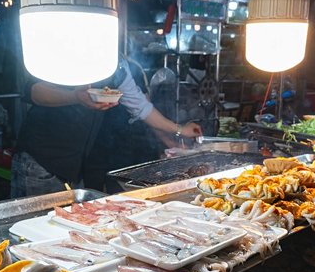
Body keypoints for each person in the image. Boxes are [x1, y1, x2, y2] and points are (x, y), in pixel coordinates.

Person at [11, 58, 202, 197]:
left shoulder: (116, 66)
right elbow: (34, 91)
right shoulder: (66, 54)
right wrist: (75, 97)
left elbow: (141, 107)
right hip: (40, 162)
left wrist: (180, 129)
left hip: (75, 165)